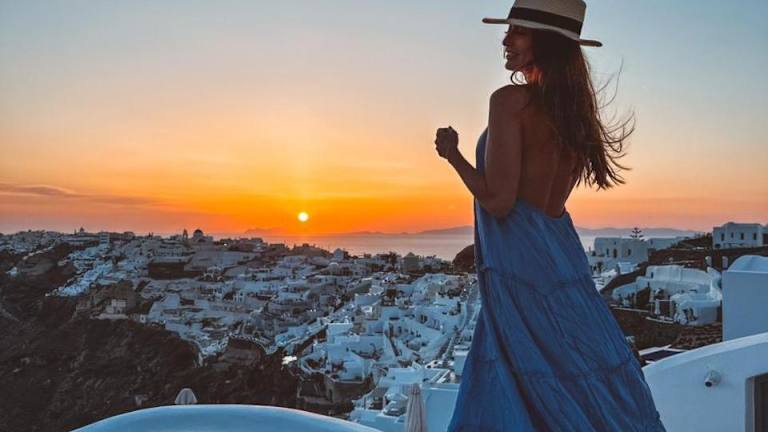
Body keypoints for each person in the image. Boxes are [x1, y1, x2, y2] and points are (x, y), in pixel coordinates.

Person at [433, 1, 667, 430]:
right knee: (572, 365)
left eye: (518, 31)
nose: (506, 40)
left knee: (515, 368)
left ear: (547, 43)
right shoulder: (574, 115)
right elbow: (538, 204)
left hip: (519, 262)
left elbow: (500, 202)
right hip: (560, 254)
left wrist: (454, 156)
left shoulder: (510, 101)